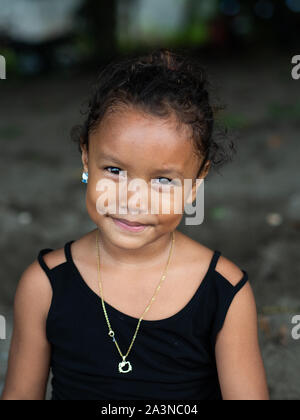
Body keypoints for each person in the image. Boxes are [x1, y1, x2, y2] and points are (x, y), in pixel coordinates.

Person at [1, 48, 269, 400]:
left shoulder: (223, 292)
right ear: (86, 157)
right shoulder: (44, 286)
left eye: (163, 180)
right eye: (114, 170)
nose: (133, 199)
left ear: (196, 184)